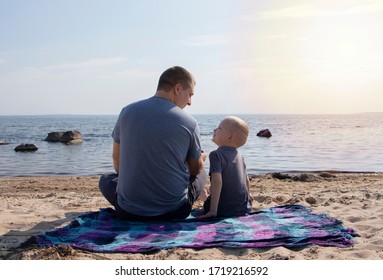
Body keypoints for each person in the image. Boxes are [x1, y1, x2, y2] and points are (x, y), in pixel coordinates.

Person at [99, 66, 208, 220]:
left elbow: (118, 165)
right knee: (202, 172)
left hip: (128, 212)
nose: (190, 102)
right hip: (174, 211)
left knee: (106, 179)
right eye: (189, 94)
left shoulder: (126, 112)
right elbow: (194, 170)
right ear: (177, 88)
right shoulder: (189, 122)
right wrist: (202, 158)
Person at [199, 116, 252, 219]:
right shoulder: (240, 156)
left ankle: (205, 197)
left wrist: (213, 210)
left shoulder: (216, 155)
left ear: (230, 137)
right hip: (243, 208)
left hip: (223, 210)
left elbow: (217, 182)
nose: (214, 129)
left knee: (207, 198)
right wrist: (249, 196)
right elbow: (246, 180)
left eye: (219, 128)